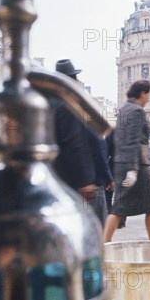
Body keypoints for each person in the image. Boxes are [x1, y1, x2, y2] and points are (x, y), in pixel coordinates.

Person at [104, 80, 150, 242]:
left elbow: (120, 140)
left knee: (119, 207)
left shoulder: (123, 110)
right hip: (138, 166)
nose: (148, 98)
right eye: (148, 94)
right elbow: (133, 141)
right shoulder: (136, 111)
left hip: (121, 164)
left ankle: (104, 243)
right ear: (142, 93)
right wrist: (133, 170)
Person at [52, 59, 99, 215]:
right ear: (69, 81)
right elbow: (75, 143)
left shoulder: (51, 102)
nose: (78, 81)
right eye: (75, 78)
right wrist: (85, 181)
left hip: (55, 175)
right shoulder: (68, 104)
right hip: (70, 178)